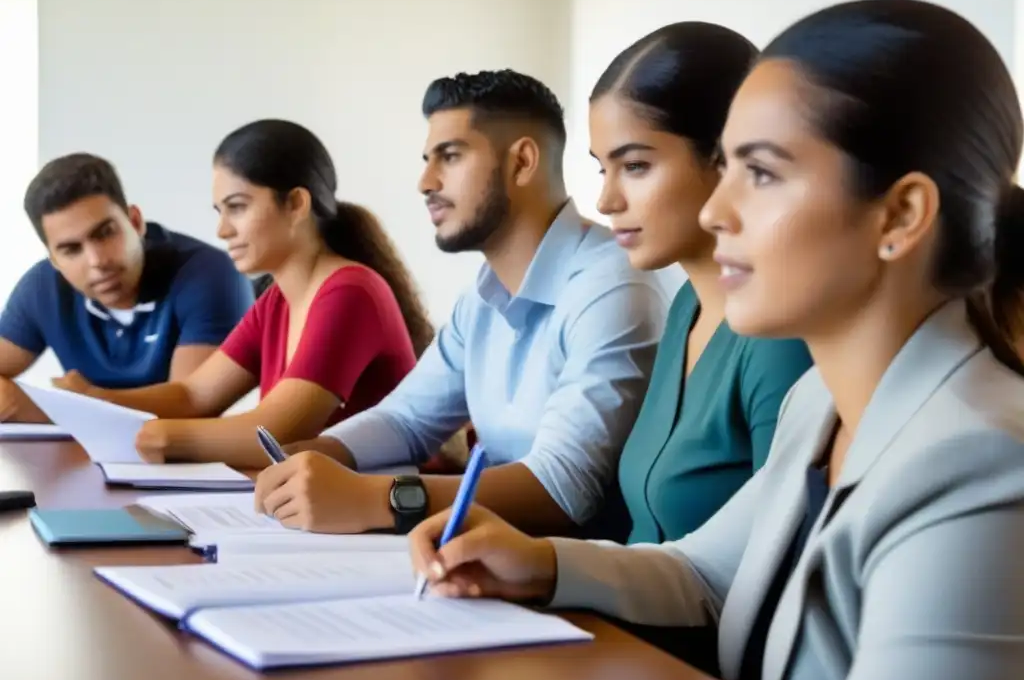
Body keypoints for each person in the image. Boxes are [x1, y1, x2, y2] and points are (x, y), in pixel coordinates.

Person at [408, 0, 1024, 680]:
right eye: (725, 168)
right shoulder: (819, 404)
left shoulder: (980, 464)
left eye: (761, 174)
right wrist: (538, 563)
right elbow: (704, 571)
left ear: (901, 214)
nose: (715, 211)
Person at [253, 69, 668, 538]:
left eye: (449, 157)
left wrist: (372, 497)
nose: (425, 181)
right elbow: (407, 420)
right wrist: (308, 460)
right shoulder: (483, 295)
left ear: (523, 161)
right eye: (428, 159)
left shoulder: (613, 284)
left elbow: (564, 486)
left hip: (569, 582)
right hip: (488, 562)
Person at [53, 120, 432, 466]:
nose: (222, 230)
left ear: (297, 204)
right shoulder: (276, 300)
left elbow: (277, 433)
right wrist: (93, 398)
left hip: (381, 523)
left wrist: (165, 436)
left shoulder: (351, 292)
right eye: (219, 211)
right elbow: (194, 396)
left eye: (236, 208)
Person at [590, 22, 812, 546]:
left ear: (726, 158)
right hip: (627, 616)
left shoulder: (778, 338)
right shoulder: (689, 304)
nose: (606, 201)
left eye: (636, 166)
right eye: (602, 169)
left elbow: (775, 563)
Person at [0, 153, 252, 423]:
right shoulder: (42, 286)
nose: (97, 262)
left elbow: (192, 408)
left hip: (176, 461)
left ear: (135, 221)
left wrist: (65, 406)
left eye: (105, 233)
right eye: (71, 250)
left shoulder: (210, 274)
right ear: (55, 260)